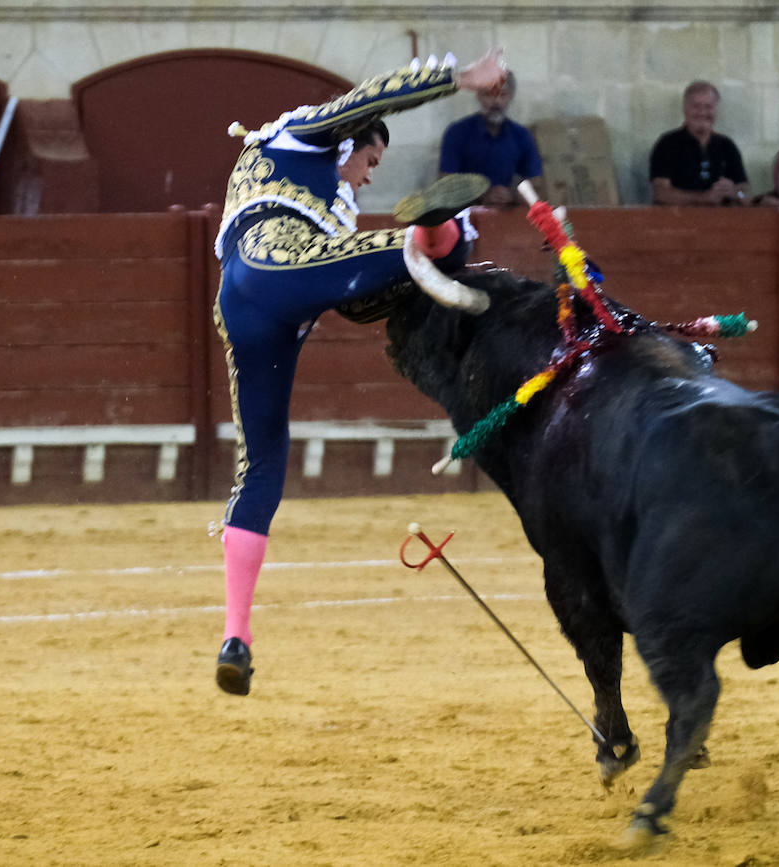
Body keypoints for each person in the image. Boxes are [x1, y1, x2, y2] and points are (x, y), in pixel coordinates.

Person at [212, 49, 507, 697]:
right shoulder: (304, 134)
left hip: (250, 307)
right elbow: (366, 100)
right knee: (430, 238)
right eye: (370, 161)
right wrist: (460, 80)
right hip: (279, 265)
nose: (368, 177)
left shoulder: (306, 184)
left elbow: (354, 303)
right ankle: (441, 233)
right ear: (348, 146)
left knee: (261, 464)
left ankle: (237, 636)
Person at [438, 70, 544, 207]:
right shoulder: (457, 133)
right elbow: (445, 184)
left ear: (510, 97)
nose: (496, 102)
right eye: (489, 94)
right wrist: (481, 195)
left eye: (502, 95)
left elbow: (537, 183)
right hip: (467, 215)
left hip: (508, 215)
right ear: (478, 96)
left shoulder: (521, 135)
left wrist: (512, 195)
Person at [649, 81, 749, 206]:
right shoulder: (667, 144)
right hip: (678, 223)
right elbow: (661, 193)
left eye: (708, 106)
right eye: (696, 106)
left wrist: (734, 192)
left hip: (722, 223)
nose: (702, 112)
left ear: (716, 109)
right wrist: (704, 198)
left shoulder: (727, 146)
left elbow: (745, 195)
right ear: (685, 109)